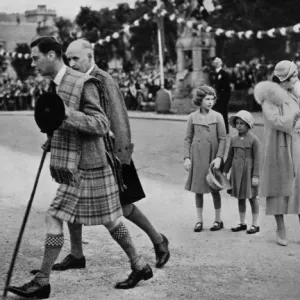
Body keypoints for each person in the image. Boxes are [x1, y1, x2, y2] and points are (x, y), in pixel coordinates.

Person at [6, 37, 153, 299]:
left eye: (35, 57)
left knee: (55, 216)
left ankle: (42, 281)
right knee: (111, 220)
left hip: (88, 165)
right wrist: (52, 138)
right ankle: (139, 265)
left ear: (51, 55)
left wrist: (65, 115)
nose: (32, 63)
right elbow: (65, 122)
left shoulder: (83, 83)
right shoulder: (57, 84)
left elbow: (99, 124)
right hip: (79, 163)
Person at [47, 39, 169, 274]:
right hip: (83, 154)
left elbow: (119, 118)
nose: (72, 63)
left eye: (76, 59)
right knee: (72, 204)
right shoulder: (75, 81)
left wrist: (121, 156)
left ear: (90, 57)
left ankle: (158, 240)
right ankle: (76, 254)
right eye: (69, 59)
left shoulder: (102, 80)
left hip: (110, 156)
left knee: (123, 207)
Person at [254, 60, 300, 246]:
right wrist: (296, 119)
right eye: (295, 75)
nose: (297, 79)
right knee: (278, 186)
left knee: (299, 184)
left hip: (297, 144)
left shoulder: (294, 95)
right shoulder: (269, 98)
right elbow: (275, 121)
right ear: (285, 79)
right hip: (278, 146)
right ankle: (280, 227)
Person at [184, 85, 227, 232]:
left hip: (212, 157)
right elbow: (187, 139)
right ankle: (199, 220)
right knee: (198, 190)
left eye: (212, 99)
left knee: (214, 188)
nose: (210, 102)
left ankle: (218, 219)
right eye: (206, 99)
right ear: (199, 100)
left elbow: (222, 138)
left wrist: (219, 158)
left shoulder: (217, 116)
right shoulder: (192, 117)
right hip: (197, 157)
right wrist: (187, 158)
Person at [223, 110, 261, 234]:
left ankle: (255, 224)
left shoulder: (254, 140)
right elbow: (229, 157)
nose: (239, 126)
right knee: (240, 197)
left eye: (242, 123)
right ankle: (242, 222)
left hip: (248, 173)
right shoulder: (234, 140)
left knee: (252, 197)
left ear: (248, 125)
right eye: (237, 123)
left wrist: (255, 175)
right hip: (236, 172)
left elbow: (258, 159)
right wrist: (224, 171)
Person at [209, 57, 231, 134]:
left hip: (222, 97)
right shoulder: (212, 74)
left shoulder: (225, 74)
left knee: (223, 114)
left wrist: (226, 99)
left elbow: (227, 88)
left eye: (217, 63)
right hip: (215, 97)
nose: (216, 64)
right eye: (215, 63)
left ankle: (224, 130)